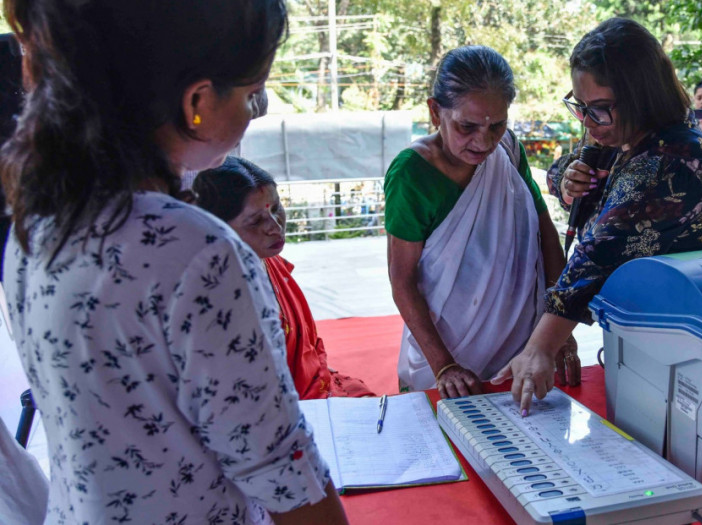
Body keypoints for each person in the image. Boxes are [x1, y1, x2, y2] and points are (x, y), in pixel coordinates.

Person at [0, 1, 347, 524]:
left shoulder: (41, 220)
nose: (259, 112)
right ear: (197, 102)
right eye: (254, 94)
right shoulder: (193, 249)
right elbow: (282, 475)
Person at [492, 18, 702, 413]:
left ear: (642, 96)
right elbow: (567, 168)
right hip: (642, 329)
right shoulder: (623, 134)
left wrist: (539, 348)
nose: (587, 122)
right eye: (580, 106)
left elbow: (597, 251)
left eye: (599, 109)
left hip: (689, 341)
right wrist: (566, 180)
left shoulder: (671, 159)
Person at [384, 46, 578, 399]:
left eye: (497, 124)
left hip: (521, 345)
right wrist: (444, 365)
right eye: (467, 126)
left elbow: (544, 231)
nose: (484, 141)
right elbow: (402, 279)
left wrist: (555, 333)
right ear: (434, 112)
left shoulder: (507, 150)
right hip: (447, 348)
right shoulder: (413, 173)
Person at [194, 156, 374, 399]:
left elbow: (308, 348)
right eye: (256, 220)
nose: (275, 226)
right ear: (218, 227)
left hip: (316, 386)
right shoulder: (217, 300)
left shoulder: (271, 262)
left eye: (277, 208)